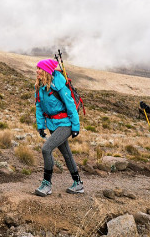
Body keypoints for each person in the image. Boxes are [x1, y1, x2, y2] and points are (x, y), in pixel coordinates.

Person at [34, 58, 83, 196]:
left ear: (46, 71)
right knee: (66, 154)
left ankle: (47, 184)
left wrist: (75, 127)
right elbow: (39, 106)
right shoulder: (38, 86)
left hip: (65, 124)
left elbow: (71, 105)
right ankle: (78, 184)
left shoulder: (59, 84)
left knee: (46, 149)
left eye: (39, 69)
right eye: (36, 68)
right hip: (52, 124)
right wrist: (40, 126)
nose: (37, 71)